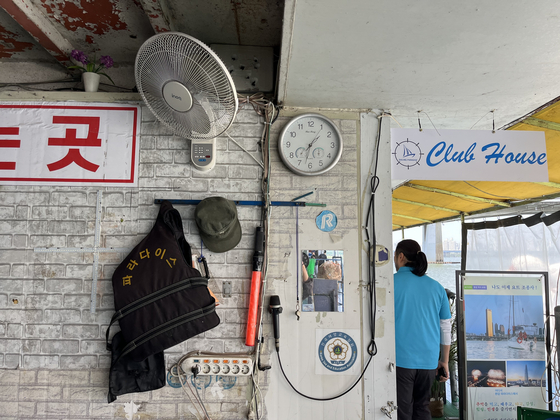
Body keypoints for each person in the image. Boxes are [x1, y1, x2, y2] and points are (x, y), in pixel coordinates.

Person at [393, 239, 452, 420]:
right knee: (422, 408)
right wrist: (444, 361)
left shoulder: (388, 283)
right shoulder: (437, 287)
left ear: (401, 257)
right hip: (428, 360)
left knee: (402, 410)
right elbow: (445, 327)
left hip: (401, 359)